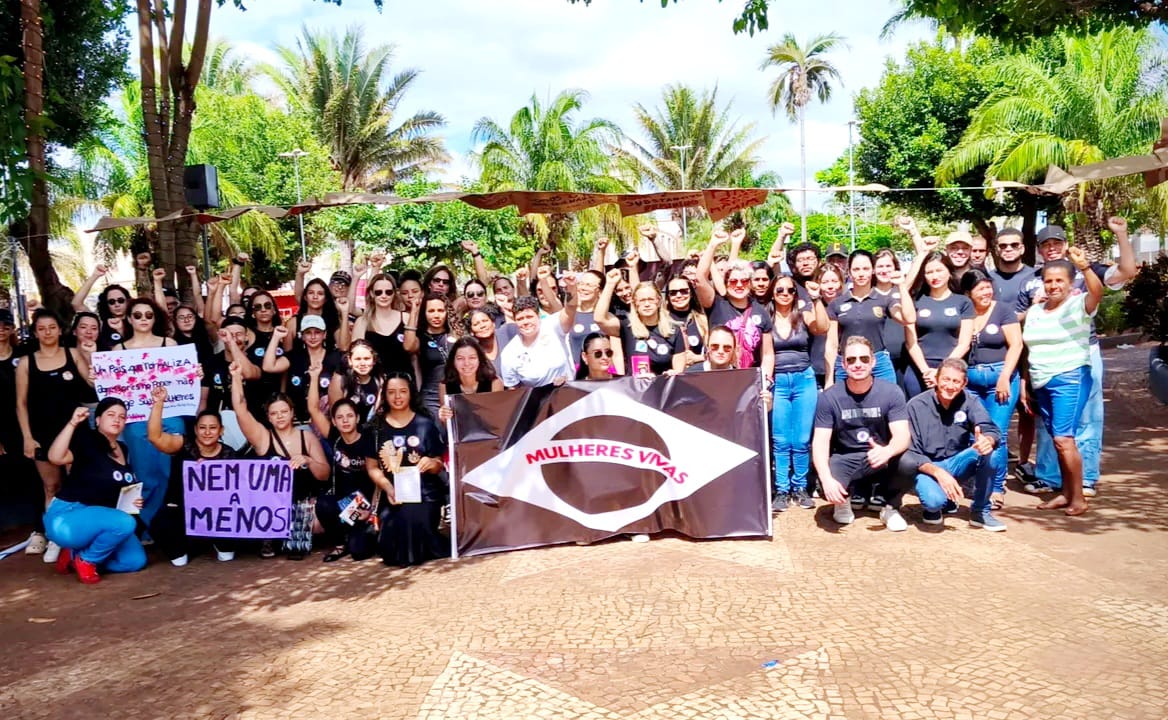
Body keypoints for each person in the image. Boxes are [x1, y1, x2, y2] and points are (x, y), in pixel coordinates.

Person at [1016, 221, 1136, 498]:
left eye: (1057, 243)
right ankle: (1049, 475)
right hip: (1042, 361)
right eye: (1046, 245)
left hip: (1081, 354)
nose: (1052, 248)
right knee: (1049, 422)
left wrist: (1121, 234)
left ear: (1065, 244)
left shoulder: (1087, 271)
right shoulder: (1031, 280)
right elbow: (1019, 323)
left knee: (1087, 419)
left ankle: (1085, 479)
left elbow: (1127, 272)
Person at [1021, 247, 1104, 516]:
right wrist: (1026, 381)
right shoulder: (1035, 311)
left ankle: (1078, 497)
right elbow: (1028, 347)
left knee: (1064, 439)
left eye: (1059, 280)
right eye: (1049, 280)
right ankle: (1065, 493)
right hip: (1041, 380)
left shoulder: (1078, 305)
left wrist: (1086, 267)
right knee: (1058, 440)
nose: (1053, 285)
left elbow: (1097, 293)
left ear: (1070, 283)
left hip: (1070, 377)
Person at [15, 309, 96, 563]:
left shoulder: (73, 354)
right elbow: (21, 404)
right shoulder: (27, 362)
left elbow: (94, 384)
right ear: (35, 332)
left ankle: (78, 536)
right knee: (51, 486)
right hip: (43, 433)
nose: (48, 332)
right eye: (42, 328)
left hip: (76, 431)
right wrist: (28, 437)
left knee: (78, 485)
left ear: (60, 330)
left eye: (52, 327)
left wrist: (89, 355)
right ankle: (54, 536)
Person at [812, 336, 912, 532]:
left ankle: (890, 507)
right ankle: (843, 500)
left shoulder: (892, 392)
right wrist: (825, 479)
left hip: (882, 457)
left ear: (873, 361)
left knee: (909, 461)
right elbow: (820, 442)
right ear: (843, 364)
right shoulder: (829, 397)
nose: (858, 364)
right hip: (846, 457)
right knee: (827, 473)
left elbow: (903, 435)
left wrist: (888, 450)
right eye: (851, 360)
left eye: (864, 359)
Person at [230, 362, 329, 558]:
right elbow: (241, 410)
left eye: (284, 412)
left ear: (292, 413)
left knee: (318, 524)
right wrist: (235, 377)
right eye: (274, 413)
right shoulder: (263, 437)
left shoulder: (306, 437)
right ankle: (270, 536)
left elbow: (324, 474)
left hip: (301, 501)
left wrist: (308, 460)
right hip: (272, 507)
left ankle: (289, 533)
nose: (280, 416)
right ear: (268, 417)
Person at [43, 400, 146, 584]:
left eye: (122, 416)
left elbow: (118, 488)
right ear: (97, 420)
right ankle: (87, 560)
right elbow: (55, 457)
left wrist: (132, 501)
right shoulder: (87, 441)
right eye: (111, 415)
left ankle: (75, 555)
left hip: (101, 518)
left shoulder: (123, 448)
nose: (117, 419)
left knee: (135, 561)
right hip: (68, 515)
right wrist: (72, 423)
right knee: (125, 522)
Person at [900, 359, 1006, 531]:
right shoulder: (916, 406)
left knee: (991, 454)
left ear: (964, 383)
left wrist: (988, 440)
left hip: (957, 463)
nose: (950, 386)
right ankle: (938, 504)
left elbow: (990, 428)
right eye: (946, 379)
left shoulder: (970, 401)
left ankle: (980, 512)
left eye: (956, 381)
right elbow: (911, 454)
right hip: (928, 466)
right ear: (937, 379)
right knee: (934, 502)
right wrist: (939, 473)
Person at [110, 297, 186, 526]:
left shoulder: (169, 344)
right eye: (138, 315)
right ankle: (144, 526)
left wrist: (194, 373)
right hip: (135, 418)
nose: (144, 319)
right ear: (129, 319)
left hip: (170, 414)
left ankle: (171, 524)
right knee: (141, 473)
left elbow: (182, 378)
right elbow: (112, 388)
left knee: (169, 472)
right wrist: (97, 378)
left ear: (155, 318)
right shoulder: (118, 349)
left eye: (149, 315)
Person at [146, 386, 239, 566]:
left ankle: (216, 542)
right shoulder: (183, 444)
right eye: (202, 427)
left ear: (221, 431)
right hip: (180, 510)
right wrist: (158, 403)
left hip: (216, 514)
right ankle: (186, 545)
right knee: (177, 556)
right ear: (195, 429)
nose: (207, 432)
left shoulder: (230, 454)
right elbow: (155, 437)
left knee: (228, 555)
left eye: (213, 428)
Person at [365, 373, 449, 567]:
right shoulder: (376, 428)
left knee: (411, 517)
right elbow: (372, 467)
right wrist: (387, 487)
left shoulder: (425, 424)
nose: (397, 397)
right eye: (391, 392)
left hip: (425, 494)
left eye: (402, 391)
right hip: (393, 494)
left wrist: (431, 463)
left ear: (411, 393)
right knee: (391, 540)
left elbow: (439, 464)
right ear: (384, 396)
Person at [962, 269, 1023, 507]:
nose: (986, 292)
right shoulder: (964, 312)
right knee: (972, 432)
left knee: (996, 433)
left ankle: (996, 487)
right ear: (968, 293)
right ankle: (977, 481)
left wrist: (1005, 376)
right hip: (971, 380)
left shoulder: (1003, 310)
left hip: (1000, 377)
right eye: (980, 288)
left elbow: (1016, 344)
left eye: (988, 286)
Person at [769, 274, 826, 512]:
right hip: (778, 381)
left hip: (804, 378)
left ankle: (800, 487)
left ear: (795, 293)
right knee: (781, 439)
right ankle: (782, 489)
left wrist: (817, 299)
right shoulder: (766, 317)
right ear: (773, 292)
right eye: (779, 289)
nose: (784, 293)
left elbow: (822, 327)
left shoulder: (803, 314)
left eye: (790, 290)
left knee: (802, 439)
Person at [306, 373, 377, 563]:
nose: (345, 421)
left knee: (359, 552)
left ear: (357, 417)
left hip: (366, 504)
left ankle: (369, 533)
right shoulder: (334, 437)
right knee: (322, 503)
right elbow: (313, 409)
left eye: (349, 416)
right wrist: (314, 377)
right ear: (334, 421)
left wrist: (372, 510)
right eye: (340, 417)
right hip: (343, 503)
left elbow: (379, 476)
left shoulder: (369, 439)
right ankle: (340, 542)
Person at [823, 250, 915, 389]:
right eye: (856, 269)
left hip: (879, 364)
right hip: (847, 363)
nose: (861, 273)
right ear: (849, 272)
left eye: (865, 269)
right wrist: (829, 379)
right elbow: (831, 345)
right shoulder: (837, 303)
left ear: (872, 270)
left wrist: (901, 285)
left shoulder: (884, 299)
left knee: (886, 406)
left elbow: (909, 318)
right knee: (847, 409)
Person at [695, 230, 775, 379]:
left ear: (750, 284)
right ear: (726, 283)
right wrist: (713, 244)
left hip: (748, 380)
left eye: (744, 281)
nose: (739, 285)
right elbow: (700, 279)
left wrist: (764, 381)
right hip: (716, 376)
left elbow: (768, 354)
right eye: (733, 281)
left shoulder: (760, 311)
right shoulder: (716, 304)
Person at [903, 252, 974, 397]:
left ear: (949, 272)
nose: (934, 276)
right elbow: (911, 343)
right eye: (929, 272)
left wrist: (942, 371)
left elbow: (964, 344)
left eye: (939, 270)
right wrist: (926, 371)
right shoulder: (915, 301)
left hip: (952, 370)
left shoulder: (963, 302)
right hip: (920, 371)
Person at [261, 319, 344, 430]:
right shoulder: (295, 356)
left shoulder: (335, 357)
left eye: (317, 332)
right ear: (302, 336)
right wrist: (276, 337)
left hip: (327, 422)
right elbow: (268, 366)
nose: (313, 337)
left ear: (325, 335)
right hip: (298, 423)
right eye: (308, 333)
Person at [599, 277, 685, 378]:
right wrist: (610, 284)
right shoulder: (626, 326)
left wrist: (674, 372)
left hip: (663, 387)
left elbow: (679, 369)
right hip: (635, 389)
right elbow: (600, 319)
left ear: (658, 301)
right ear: (635, 303)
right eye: (642, 300)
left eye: (651, 300)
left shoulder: (673, 329)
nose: (647, 304)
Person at [499, 296, 573, 388]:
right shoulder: (509, 353)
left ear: (538, 316)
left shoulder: (553, 326)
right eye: (520, 319)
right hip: (538, 398)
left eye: (529, 317)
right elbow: (513, 389)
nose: (525, 322)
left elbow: (571, 309)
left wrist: (572, 286)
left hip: (568, 392)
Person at [404, 294, 459, 417]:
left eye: (440, 310)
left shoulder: (456, 335)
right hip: (430, 398)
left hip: (456, 394)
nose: (436, 315)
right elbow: (408, 346)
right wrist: (414, 310)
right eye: (431, 311)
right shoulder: (420, 338)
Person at [353, 273, 413, 377]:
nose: (384, 296)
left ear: (394, 293)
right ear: (372, 294)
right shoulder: (362, 322)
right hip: (374, 384)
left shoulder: (406, 318)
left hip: (404, 383)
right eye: (378, 292)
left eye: (388, 292)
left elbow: (415, 357)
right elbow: (355, 358)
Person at [438, 337, 504, 419]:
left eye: (472, 358)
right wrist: (443, 417)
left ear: (479, 359)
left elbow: (498, 419)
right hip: (460, 431)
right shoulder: (444, 386)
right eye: (460, 358)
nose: (466, 363)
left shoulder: (495, 383)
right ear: (453, 361)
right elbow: (448, 426)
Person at [327, 340, 386, 428]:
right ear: (350, 361)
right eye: (358, 359)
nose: (362, 363)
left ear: (374, 360)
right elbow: (336, 414)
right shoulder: (341, 381)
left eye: (366, 359)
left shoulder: (380, 380)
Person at [809, 264, 845, 388]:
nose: (830, 286)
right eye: (824, 282)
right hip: (819, 370)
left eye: (834, 281)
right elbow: (819, 328)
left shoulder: (849, 305)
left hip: (846, 368)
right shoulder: (812, 306)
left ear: (841, 283)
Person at [664, 276, 708, 369]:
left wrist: (698, 358)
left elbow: (713, 352)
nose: (679, 295)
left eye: (684, 291)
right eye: (673, 293)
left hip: (697, 375)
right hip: (669, 378)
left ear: (691, 293)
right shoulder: (662, 321)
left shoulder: (702, 320)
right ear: (668, 296)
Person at [465, 308, 515, 379]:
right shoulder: (472, 352)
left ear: (493, 323)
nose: (482, 326)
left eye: (485, 321)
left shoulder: (509, 331)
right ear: (471, 332)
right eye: (476, 324)